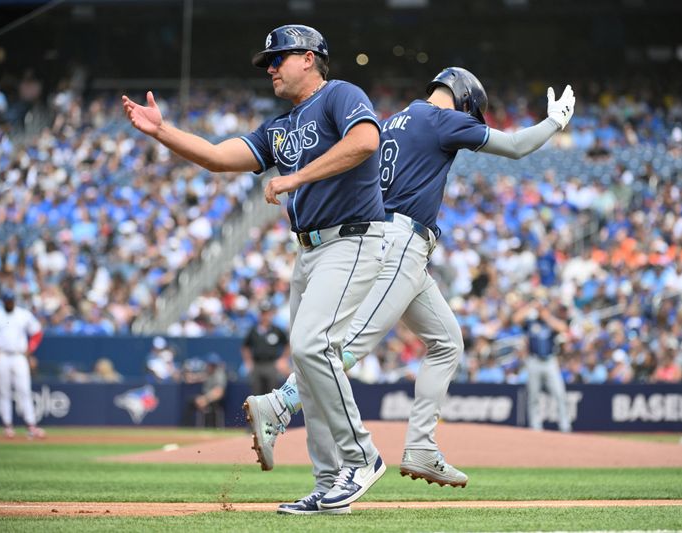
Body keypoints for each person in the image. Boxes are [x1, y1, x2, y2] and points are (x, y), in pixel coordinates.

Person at [244, 67, 575, 485]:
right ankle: (281, 403)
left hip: (394, 241)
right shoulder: (441, 117)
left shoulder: (390, 121)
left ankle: (422, 447)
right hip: (400, 241)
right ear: (465, 100)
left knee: (447, 342)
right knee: (351, 340)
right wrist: (554, 122)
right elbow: (514, 146)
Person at [123, 24, 387, 515]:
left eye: (278, 58)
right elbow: (221, 158)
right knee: (308, 364)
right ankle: (329, 484)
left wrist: (295, 178)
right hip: (309, 251)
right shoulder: (280, 126)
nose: (270, 68)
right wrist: (163, 131)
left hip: (350, 240)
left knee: (313, 347)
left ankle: (362, 457)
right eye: (268, 61)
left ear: (308, 58)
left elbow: (367, 140)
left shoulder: (339, 95)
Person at [0, 289, 45, 439]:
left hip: (19, 356)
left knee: (24, 390)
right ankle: (7, 426)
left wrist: (30, 349)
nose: (10, 303)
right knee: (3, 391)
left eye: (11, 300)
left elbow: (38, 332)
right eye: (7, 300)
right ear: (3, 301)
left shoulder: (23, 314)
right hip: (1, 355)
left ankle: (31, 425)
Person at [512, 298, 572, 433]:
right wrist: (531, 306)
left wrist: (546, 315)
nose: (540, 310)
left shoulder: (549, 322)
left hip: (550, 361)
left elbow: (563, 328)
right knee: (533, 395)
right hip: (534, 361)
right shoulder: (530, 322)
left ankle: (565, 425)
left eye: (542, 307)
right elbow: (515, 319)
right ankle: (536, 426)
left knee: (559, 393)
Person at [241, 301, 289, 395]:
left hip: (271, 364)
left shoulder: (276, 330)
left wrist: (283, 359)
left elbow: (288, 344)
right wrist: (248, 361)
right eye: (263, 313)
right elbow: (245, 346)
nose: (265, 316)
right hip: (257, 365)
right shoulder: (253, 330)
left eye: (268, 314)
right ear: (260, 314)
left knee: (272, 393)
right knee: (256, 393)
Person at [185, 352, 228, 427]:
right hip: (205, 397)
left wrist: (205, 399)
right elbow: (196, 377)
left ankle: (211, 428)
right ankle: (188, 427)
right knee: (190, 401)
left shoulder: (219, 374)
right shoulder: (207, 372)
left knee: (205, 405)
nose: (211, 367)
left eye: (213, 365)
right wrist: (191, 377)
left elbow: (219, 392)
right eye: (210, 364)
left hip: (215, 401)